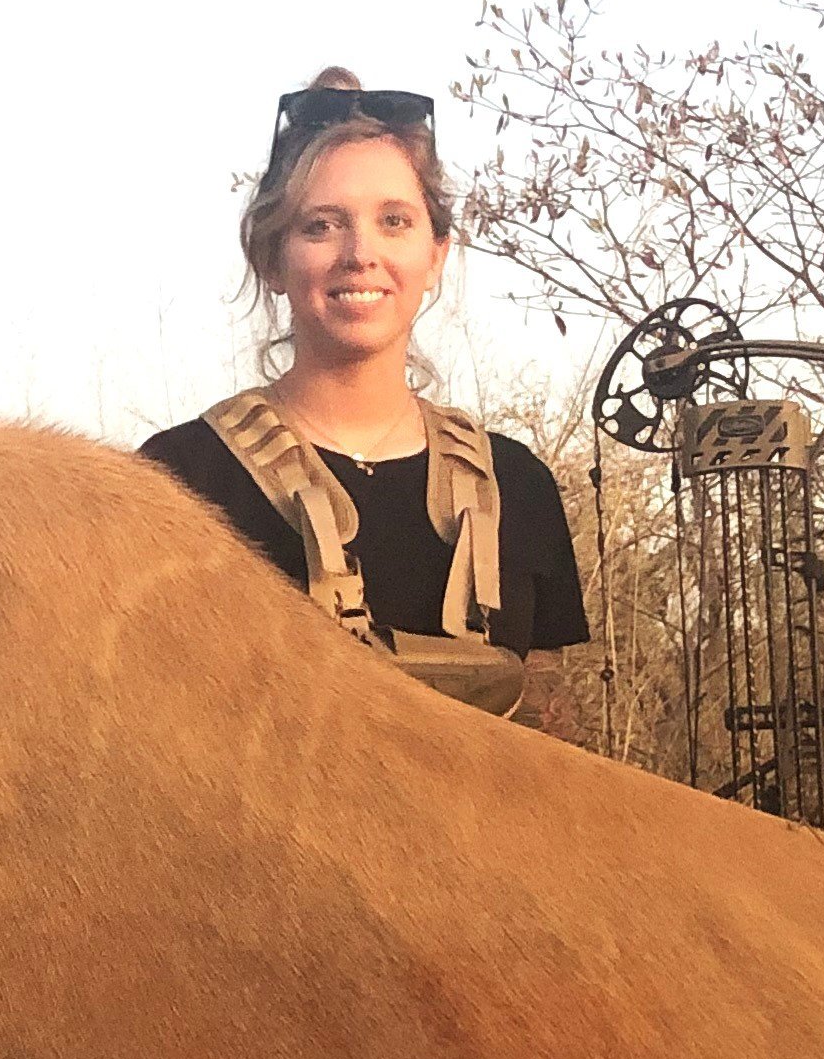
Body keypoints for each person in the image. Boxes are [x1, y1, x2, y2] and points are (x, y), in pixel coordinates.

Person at [138, 69, 589, 730]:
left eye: (394, 221)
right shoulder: (179, 480)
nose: (361, 254)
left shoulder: (517, 487)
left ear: (437, 255)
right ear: (271, 257)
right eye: (321, 226)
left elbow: (558, 747)